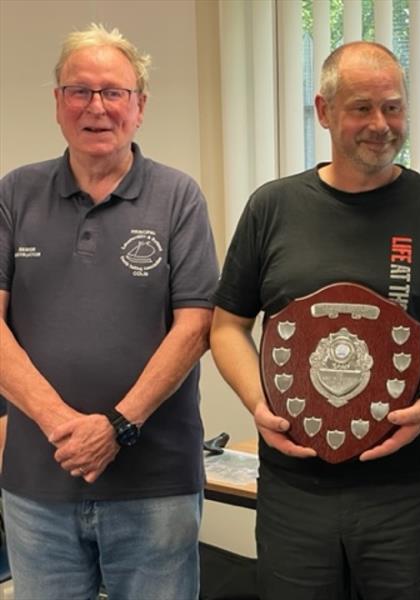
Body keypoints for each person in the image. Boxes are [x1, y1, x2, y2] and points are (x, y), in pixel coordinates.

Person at [210, 41, 420, 599]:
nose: (380, 124)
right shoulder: (272, 208)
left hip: (409, 491)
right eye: (361, 108)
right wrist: (257, 403)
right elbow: (227, 325)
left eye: (393, 107)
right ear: (323, 111)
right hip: (295, 491)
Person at [0, 23, 218, 599]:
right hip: (37, 486)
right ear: (57, 103)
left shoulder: (178, 197)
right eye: (80, 90)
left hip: (156, 485)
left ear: (139, 106)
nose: (97, 107)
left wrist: (117, 426)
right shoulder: (14, 194)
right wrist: (60, 424)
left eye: (113, 92)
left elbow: (195, 327)